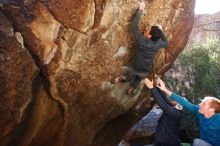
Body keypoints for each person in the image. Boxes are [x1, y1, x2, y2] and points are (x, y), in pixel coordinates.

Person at [111, 1, 168, 95]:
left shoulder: (142, 41)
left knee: (129, 77)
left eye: (147, 30)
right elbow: (166, 42)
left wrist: (140, 10)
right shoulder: (159, 44)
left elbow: (134, 27)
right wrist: (160, 31)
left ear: (149, 36)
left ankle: (122, 78)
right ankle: (131, 90)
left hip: (136, 68)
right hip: (145, 70)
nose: (146, 29)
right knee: (138, 79)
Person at [154, 77, 220, 146]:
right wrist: (164, 89)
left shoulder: (218, 119)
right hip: (203, 143)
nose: (200, 104)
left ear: (211, 109)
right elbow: (184, 102)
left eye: (204, 103)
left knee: (197, 142)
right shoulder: (198, 111)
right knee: (197, 142)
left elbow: (164, 105)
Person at [145, 78, 182, 146]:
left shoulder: (175, 113)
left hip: (167, 143)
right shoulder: (175, 109)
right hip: (164, 141)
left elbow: (163, 104)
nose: (174, 99)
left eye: (176, 100)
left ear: (179, 104)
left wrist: (151, 87)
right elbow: (165, 99)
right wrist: (157, 85)